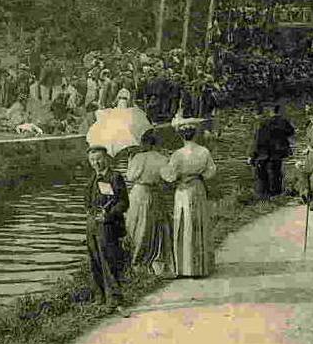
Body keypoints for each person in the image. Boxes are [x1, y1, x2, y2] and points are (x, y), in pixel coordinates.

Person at [160, 118, 218, 277]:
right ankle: (200, 266)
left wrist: (167, 166)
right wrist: (198, 175)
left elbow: (169, 176)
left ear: (181, 136)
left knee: (184, 224)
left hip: (183, 190)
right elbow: (211, 172)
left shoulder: (177, 155)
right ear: (195, 134)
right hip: (198, 188)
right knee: (198, 222)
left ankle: (184, 267)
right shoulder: (204, 151)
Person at [84, 145, 129, 315]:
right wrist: (90, 212)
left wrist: (108, 215)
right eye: (92, 160)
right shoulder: (92, 179)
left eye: (99, 159)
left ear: (106, 159)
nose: (96, 163)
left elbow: (124, 202)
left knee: (109, 261)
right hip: (92, 225)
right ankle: (100, 297)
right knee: (94, 260)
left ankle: (115, 299)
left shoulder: (115, 177)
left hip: (108, 226)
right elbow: (87, 201)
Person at [125, 131, 174, 276]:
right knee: (155, 226)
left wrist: (130, 160)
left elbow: (130, 177)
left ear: (146, 143)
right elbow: (169, 179)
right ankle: (155, 259)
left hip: (139, 194)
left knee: (137, 225)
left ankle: (136, 259)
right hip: (155, 193)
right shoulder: (163, 158)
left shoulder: (138, 158)